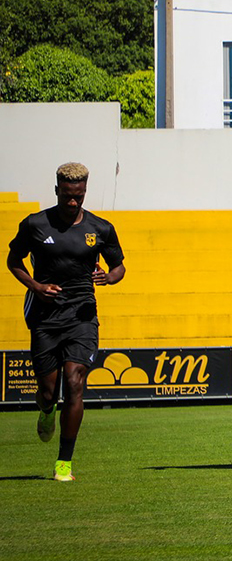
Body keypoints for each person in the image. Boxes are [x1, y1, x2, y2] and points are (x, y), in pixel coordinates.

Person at [7, 163, 124, 482]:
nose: (73, 203)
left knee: (75, 382)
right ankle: (46, 411)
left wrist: (108, 277)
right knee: (48, 393)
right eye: (68, 196)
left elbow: (119, 267)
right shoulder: (35, 224)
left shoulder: (101, 228)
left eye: (79, 196)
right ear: (57, 190)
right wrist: (36, 286)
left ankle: (64, 462)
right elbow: (13, 261)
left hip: (82, 316)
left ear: (85, 191)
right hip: (44, 317)